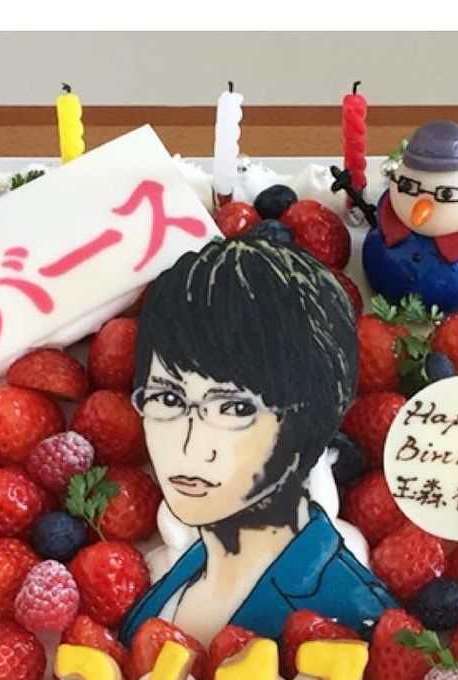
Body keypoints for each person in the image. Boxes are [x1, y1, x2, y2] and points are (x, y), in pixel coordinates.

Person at [118, 236, 397, 648]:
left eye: (233, 408)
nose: (190, 447)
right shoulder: (186, 572)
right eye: (169, 400)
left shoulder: (354, 614)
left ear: (308, 419)